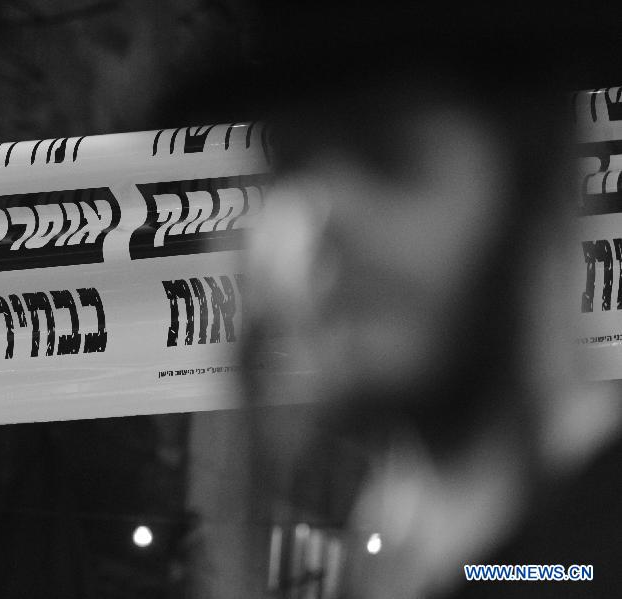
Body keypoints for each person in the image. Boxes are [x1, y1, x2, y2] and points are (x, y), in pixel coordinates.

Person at [225, 3, 622, 598]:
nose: (323, 219)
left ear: (543, 192)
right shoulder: (399, 554)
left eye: (391, 156)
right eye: (293, 164)